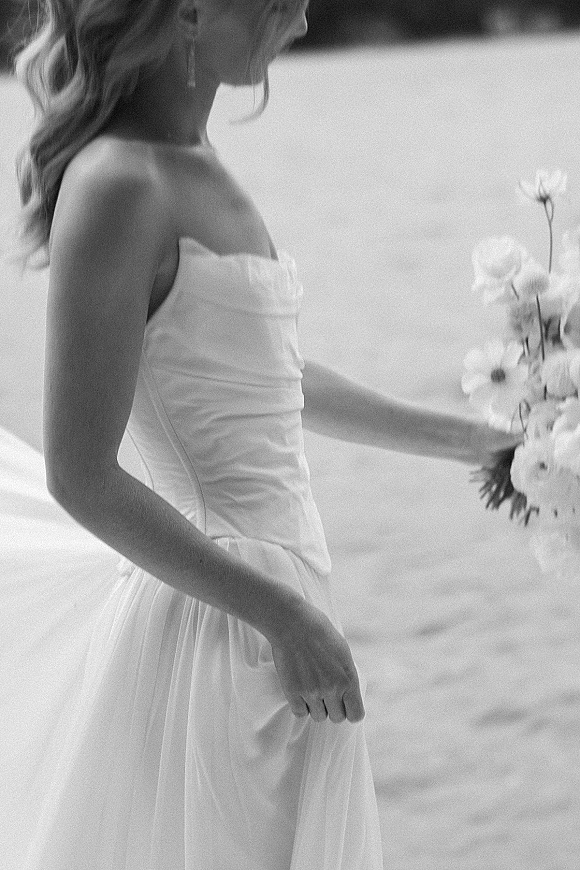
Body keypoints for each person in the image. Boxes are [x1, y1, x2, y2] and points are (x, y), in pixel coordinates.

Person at [0, 1, 520, 868]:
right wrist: (288, 621)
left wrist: (479, 442)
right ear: (192, 13)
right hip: (222, 634)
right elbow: (81, 475)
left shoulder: (193, 161)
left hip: (281, 622)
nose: (304, 19)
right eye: (276, 2)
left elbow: (269, 379)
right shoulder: (119, 183)